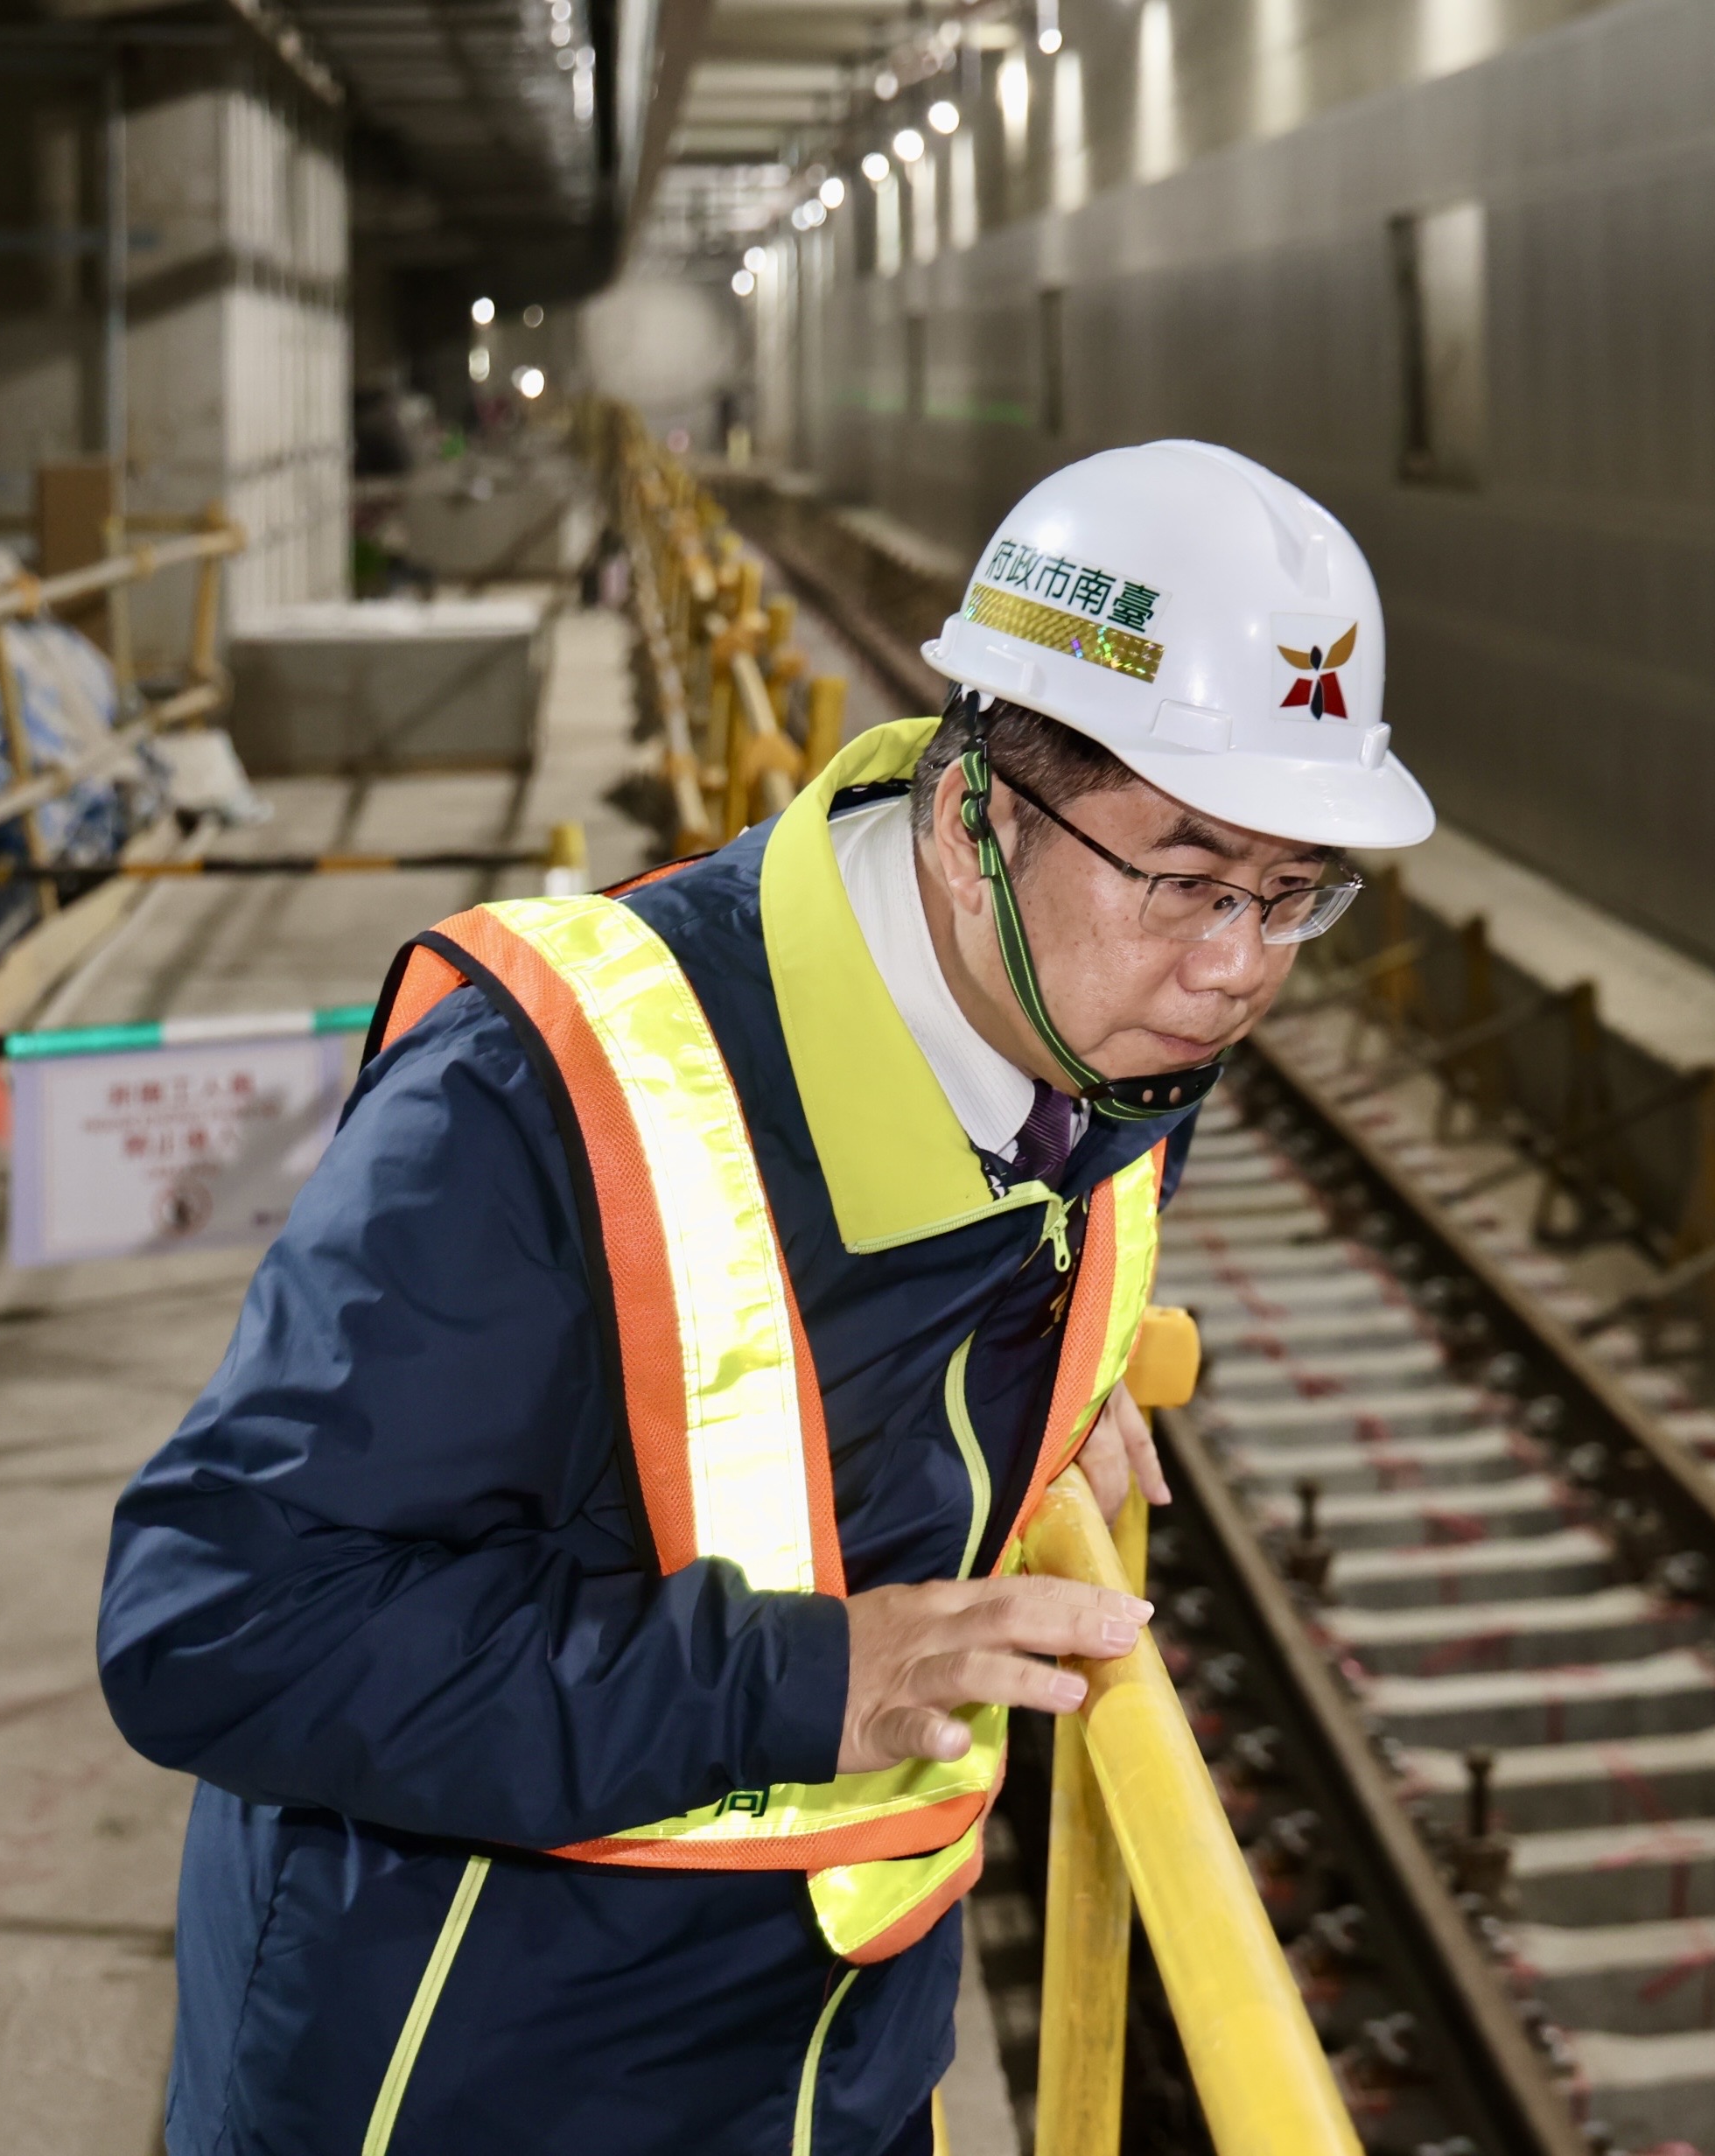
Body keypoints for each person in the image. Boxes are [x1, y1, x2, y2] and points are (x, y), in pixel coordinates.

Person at [97, 440, 1434, 2155]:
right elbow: (212, 1624)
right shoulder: (538, 1105)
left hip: (836, 2052)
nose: (1241, 960)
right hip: (467, 2069)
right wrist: (800, 1681)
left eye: (1295, 891)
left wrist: (1059, 1384)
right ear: (969, 821)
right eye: (1186, 872)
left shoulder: (1120, 1044)